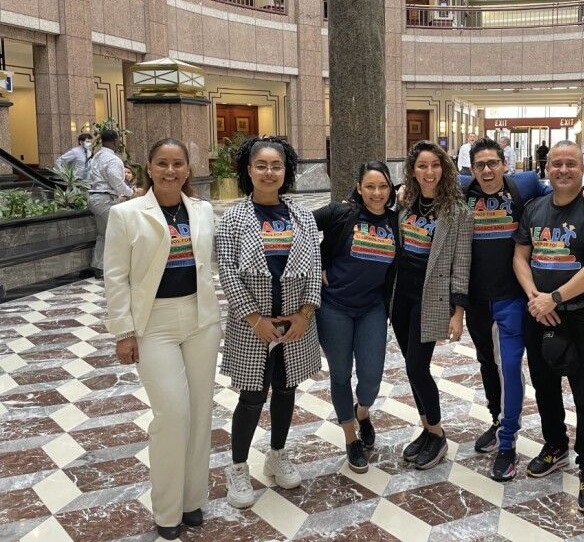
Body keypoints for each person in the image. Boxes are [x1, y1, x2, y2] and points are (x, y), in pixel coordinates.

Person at [462, 137, 584, 482]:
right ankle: (499, 421)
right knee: (489, 364)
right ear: (470, 168)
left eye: (493, 163)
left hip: (515, 300)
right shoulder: (462, 189)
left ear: (505, 164)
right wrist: (402, 187)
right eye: (479, 165)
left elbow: (563, 184)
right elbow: (428, 183)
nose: (487, 170)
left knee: (511, 367)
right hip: (478, 300)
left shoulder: (525, 185)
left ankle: (509, 441)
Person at [104, 138, 221, 540]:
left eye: (178, 164)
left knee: (201, 414)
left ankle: (192, 501)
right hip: (154, 324)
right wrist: (123, 332)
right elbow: (116, 277)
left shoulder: (204, 211)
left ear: (188, 169)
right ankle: (167, 511)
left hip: (202, 319)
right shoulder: (126, 214)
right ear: (148, 168)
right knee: (172, 416)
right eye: (162, 163)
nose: (170, 171)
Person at [513, 140, 584, 513]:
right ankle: (556, 445)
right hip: (538, 312)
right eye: (556, 163)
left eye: (570, 164)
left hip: (580, 315)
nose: (563, 170)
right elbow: (520, 256)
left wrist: (553, 298)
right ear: (547, 168)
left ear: (583, 167)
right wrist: (534, 297)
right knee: (544, 387)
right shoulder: (534, 208)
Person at [216, 136, 322, 509]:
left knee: (286, 388)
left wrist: (305, 314)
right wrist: (254, 318)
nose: (269, 172)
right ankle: (238, 467)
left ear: (285, 171)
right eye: (261, 165)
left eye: (276, 166)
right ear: (249, 170)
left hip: (295, 324)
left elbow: (313, 268)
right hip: (252, 327)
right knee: (251, 397)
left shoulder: (302, 217)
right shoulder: (233, 218)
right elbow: (227, 271)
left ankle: (277, 454)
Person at [312, 161, 399, 474]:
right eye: (370, 187)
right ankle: (351, 439)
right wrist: (317, 260)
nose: (377, 193)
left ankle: (362, 412)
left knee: (372, 378)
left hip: (371, 309)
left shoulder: (395, 221)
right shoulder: (341, 213)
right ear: (359, 188)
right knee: (340, 375)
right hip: (334, 307)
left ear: (390, 190)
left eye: (383, 187)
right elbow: (301, 225)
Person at [392, 140, 472, 470]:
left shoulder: (456, 212)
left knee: (417, 367)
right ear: (412, 170)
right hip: (400, 295)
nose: (429, 171)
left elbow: (462, 264)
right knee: (411, 365)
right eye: (422, 165)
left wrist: (458, 312)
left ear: (444, 168)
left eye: (435, 165)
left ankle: (437, 433)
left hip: (431, 297)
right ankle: (426, 429)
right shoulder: (404, 202)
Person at [88, 130, 142, 278]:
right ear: (115, 142)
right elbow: (116, 182)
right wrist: (131, 192)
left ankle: (99, 266)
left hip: (95, 198)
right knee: (114, 234)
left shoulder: (97, 156)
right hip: (105, 199)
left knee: (103, 234)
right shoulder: (113, 160)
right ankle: (111, 267)